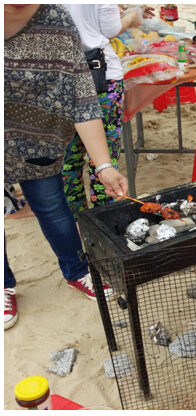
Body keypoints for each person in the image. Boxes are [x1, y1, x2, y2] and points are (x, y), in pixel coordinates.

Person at [4, 4, 128, 330]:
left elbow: (81, 97)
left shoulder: (54, 19)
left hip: (38, 140)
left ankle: (77, 270)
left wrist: (104, 165)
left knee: (52, 205)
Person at [62, 4, 153, 216]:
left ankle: (77, 223)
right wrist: (132, 16)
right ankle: (102, 221)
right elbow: (111, 29)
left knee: (68, 162)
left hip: (60, 77)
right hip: (102, 76)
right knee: (104, 162)